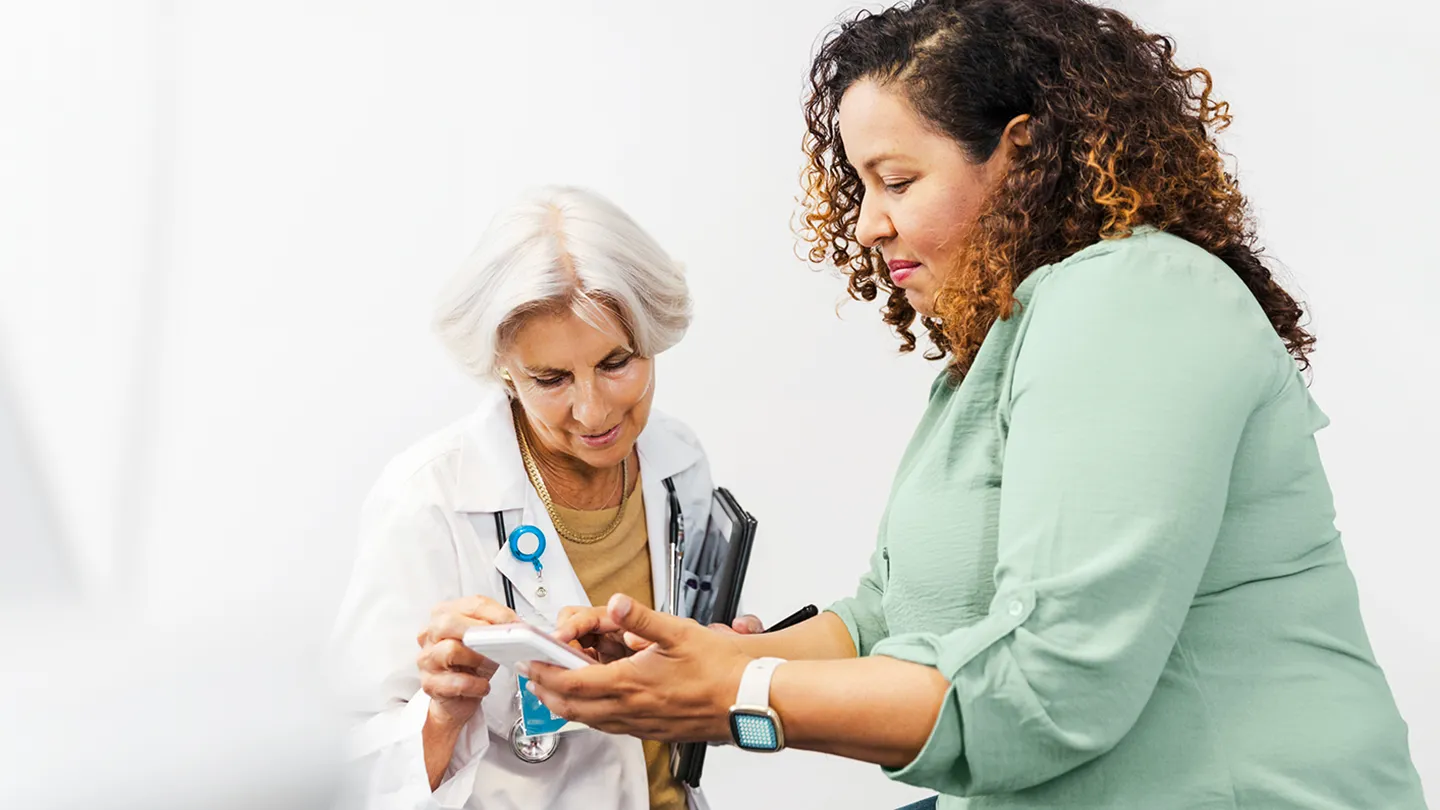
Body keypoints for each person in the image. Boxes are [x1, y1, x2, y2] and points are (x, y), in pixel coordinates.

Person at [522, 2, 1428, 808]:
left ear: (1021, 155)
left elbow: (1052, 688)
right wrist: (705, 660)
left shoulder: (1136, 301)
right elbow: (890, 617)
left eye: (897, 180)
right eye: (862, 185)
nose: (867, 222)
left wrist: (736, 698)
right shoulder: (1004, 341)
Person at [331, 185, 754, 810]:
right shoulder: (427, 500)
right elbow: (349, 775)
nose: (593, 411)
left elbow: (682, 690)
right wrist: (443, 711)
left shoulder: (677, 459)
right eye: (552, 378)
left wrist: (727, 660)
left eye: (616, 363)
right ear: (504, 366)